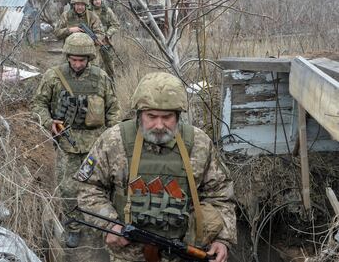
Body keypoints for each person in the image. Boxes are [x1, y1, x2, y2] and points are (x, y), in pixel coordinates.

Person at [75, 72, 237, 262]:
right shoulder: (114, 140)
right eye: (151, 116)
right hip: (129, 254)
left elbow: (221, 194)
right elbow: (88, 187)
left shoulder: (199, 143)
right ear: (139, 114)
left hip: (187, 251)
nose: (159, 125)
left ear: (178, 115)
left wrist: (222, 238)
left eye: (167, 117)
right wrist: (109, 225)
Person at [31, 32, 120, 249]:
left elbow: (113, 110)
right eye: (74, 59)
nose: (77, 64)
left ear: (89, 58)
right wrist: (48, 121)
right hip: (67, 144)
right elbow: (38, 103)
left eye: (82, 60)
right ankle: (73, 227)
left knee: (100, 189)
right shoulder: (54, 76)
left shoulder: (101, 78)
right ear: (67, 56)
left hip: (96, 146)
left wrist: (113, 139)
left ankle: (102, 228)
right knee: (68, 190)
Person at [88, 0, 120, 78]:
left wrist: (108, 34)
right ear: (91, 1)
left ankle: (112, 83)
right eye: (95, 0)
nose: (97, 1)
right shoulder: (88, 12)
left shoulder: (107, 11)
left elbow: (116, 25)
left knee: (109, 65)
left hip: (105, 42)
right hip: (93, 43)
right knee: (94, 66)